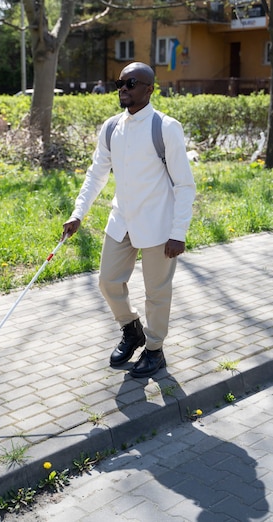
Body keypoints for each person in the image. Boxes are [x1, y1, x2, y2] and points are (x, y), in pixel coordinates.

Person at [62, 61, 196, 378]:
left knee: (157, 293)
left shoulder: (165, 127)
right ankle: (131, 329)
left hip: (159, 226)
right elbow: (96, 175)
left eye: (131, 83)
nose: (123, 88)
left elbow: (185, 184)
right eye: (119, 83)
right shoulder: (111, 128)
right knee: (107, 281)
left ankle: (154, 350)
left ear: (149, 89)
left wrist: (179, 232)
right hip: (121, 219)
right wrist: (78, 212)